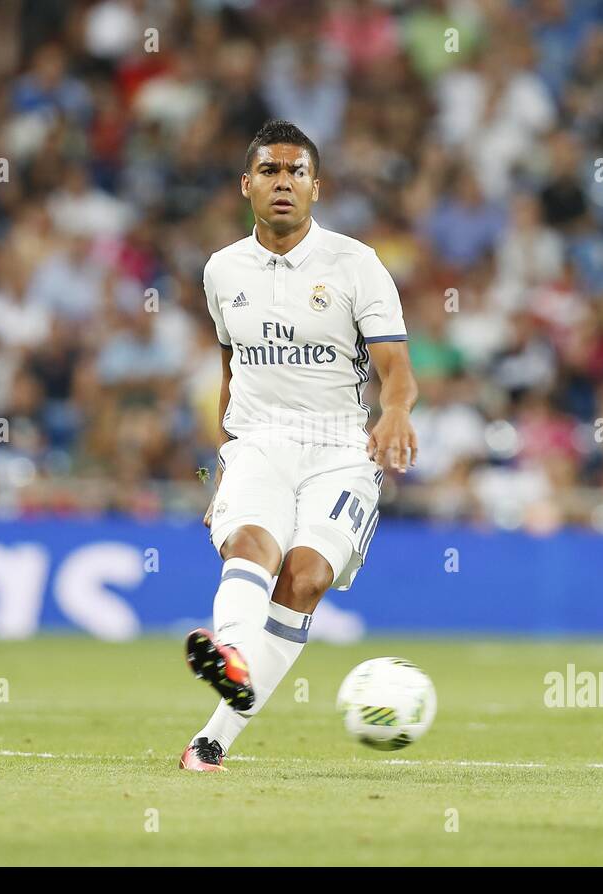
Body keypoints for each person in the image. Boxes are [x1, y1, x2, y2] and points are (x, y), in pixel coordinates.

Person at [179, 120, 419, 771]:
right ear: (245, 185)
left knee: (305, 577)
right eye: (269, 172)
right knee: (251, 542)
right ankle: (229, 654)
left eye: (296, 173)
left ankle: (214, 736)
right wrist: (222, 461)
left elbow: (397, 367)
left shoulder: (356, 264)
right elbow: (232, 370)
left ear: (317, 187)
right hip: (259, 441)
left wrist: (395, 413)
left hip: (341, 447)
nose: (283, 183)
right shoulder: (221, 270)